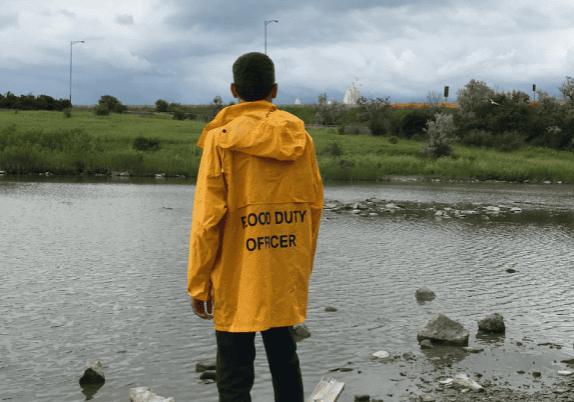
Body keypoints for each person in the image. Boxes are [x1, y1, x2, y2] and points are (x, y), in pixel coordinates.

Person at [187, 51, 324, 402]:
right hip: (283, 269)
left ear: (234, 89)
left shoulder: (221, 139)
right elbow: (313, 207)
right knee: (284, 359)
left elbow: (207, 219)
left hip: (236, 273)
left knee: (234, 372)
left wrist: (199, 282)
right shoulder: (301, 139)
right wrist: (300, 270)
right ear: (274, 91)